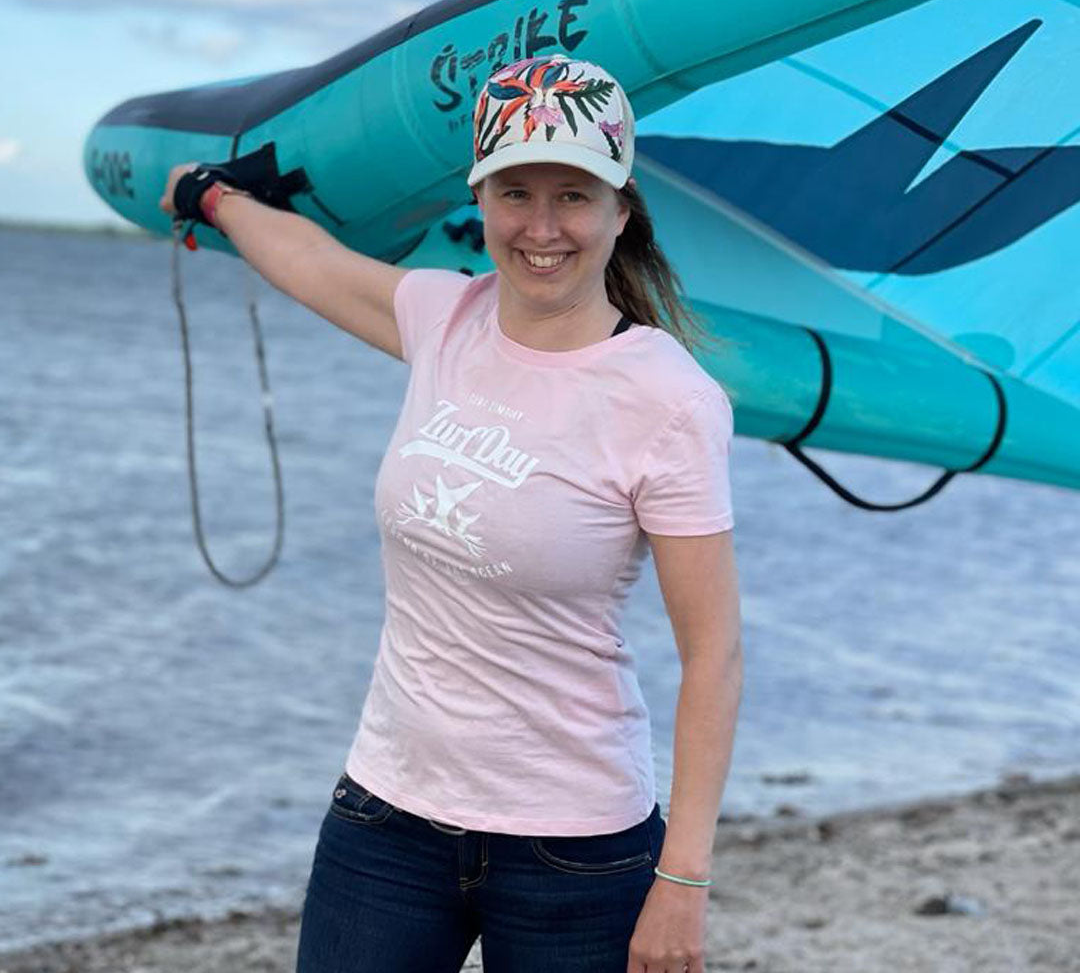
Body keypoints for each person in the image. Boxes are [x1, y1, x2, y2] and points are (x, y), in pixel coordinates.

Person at [160, 54, 742, 973]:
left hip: (576, 847)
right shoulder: (445, 318)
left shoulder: (671, 401)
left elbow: (714, 654)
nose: (542, 228)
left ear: (621, 210)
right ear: (481, 200)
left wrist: (683, 880)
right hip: (387, 819)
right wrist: (212, 198)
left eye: (574, 195)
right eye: (515, 193)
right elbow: (312, 262)